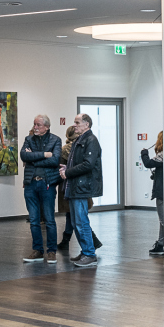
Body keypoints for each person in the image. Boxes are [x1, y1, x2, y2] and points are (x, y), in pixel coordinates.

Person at [59, 113, 102, 267]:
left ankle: (90, 254)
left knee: (81, 221)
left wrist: (68, 172)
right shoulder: (80, 140)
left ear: (86, 125)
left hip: (81, 187)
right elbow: (80, 163)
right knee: (77, 221)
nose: (74, 125)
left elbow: (88, 164)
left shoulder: (91, 141)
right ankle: (86, 251)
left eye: (77, 122)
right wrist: (67, 167)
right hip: (75, 186)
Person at [19, 115, 62, 264]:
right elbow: (23, 155)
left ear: (47, 127)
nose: (35, 127)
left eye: (38, 125)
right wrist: (44, 155)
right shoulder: (28, 139)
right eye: (34, 124)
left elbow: (55, 160)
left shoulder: (55, 140)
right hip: (30, 184)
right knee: (34, 220)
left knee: (49, 220)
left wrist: (33, 160)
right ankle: (37, 250)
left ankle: (51, 251)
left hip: (47, 184)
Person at [140, 131, 164, 255]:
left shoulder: (163, 156)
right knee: (163, 220)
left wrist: (144, 154)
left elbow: (148, 163)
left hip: (162, 192)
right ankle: (161, 244)